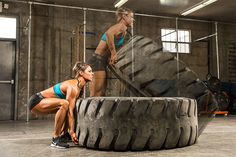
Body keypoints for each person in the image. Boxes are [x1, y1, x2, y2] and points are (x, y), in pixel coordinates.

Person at [28, 62, 93, 149]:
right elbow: (70, 112)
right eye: (89, 71)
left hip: (42, 102)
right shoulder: (73, 87)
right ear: (81, 73)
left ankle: (63, 135)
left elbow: (71, 110)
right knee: (65, 104)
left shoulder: (79, 86)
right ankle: (55, 139)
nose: (92, 73)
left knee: (69, 106)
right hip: (37, 101)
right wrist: (72, 131)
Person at [88, 8, 134, 96]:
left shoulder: (123, 30)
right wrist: (113, 53)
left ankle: (98, 110)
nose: (133, 19)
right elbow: (109, 34)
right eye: (131, 17)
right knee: (95, 94)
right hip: (97, 60)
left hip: (102, 61)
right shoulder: (121, 26)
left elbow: (108, 46)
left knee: (101, 93)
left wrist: (110, 57)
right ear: (124, 16)